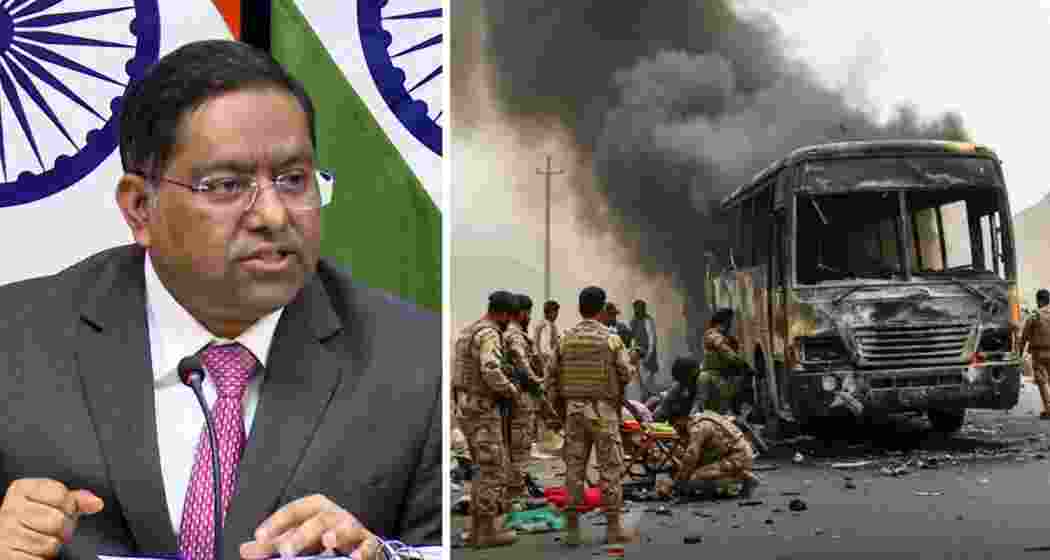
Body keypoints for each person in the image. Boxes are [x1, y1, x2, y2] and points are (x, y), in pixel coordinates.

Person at [0, 40, 441, 560]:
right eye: (228, 185)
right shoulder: (15, 344)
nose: (274, 215)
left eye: (294, 180)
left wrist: (384, 557)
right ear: (140, 208)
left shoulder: (418, 363)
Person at [548, 286, 641, 546]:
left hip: (574, 411)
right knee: (610, 466)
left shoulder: (565, 339)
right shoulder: (611, 339)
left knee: (574, 469)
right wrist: (633, 362)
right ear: (602, 310)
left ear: (579, 309)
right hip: (604, 411)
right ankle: (613, 528)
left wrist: (554, 412)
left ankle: (572, 530)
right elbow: (625, 373)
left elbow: (550, 378)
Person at [452, 291, 519, 548]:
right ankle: (488, 531)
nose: (508, 324)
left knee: (482, 468)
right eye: (509, 318)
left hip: (466, 408)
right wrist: (509, 390)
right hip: (482, 409)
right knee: (492, 468)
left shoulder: (469, 331)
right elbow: (490, 367)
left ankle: (479, 531)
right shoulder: (489, 333)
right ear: (502, 313)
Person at [503, 294, 544, 503]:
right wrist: (538, 382)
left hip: (511, 399)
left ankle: (513, 491)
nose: (529, 317)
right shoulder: (516, 335)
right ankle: (516, 496)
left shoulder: (505, 332)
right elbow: (522, 363)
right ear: (522, 313)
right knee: (520, 447)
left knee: (512, 447)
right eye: (528, 313)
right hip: (520, 400)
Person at [672, 411, 761, 499]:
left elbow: (691, 455)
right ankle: (741, 476)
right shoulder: (704, 416)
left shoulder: (698, 427)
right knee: (694, 474)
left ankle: (745, 477)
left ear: (684, 419)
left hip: (738, 456)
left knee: (694, 479)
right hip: (739, 453)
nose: (676, 428)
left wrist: (678, 481)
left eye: (676, 424)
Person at [697, 308, 752, 415]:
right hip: (713, 379)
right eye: (729, 322)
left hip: (719, 378)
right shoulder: (713, 335)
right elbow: (724, 350)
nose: (730, 325)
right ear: (723, 322)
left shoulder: (724, 336)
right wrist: (741, 363)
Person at [1021, 289, 1050, 419]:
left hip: (1039, 354)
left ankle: (1048, 409)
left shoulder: (1035, 315)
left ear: (1040, 300)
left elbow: (1025, 336)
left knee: (1042, 382)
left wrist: (1019, 352)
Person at [630, 300, 659, 400]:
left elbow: (652, 339)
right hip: (638, 353)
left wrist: (649, 355)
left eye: (640, 308)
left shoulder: (648, 320)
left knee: (648, 381)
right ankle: (645, 399)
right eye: (636, 308)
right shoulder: (634, 321)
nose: (638, 311)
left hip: (646, 354)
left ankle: (651, 399)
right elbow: (632, 338)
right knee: (641, 382)